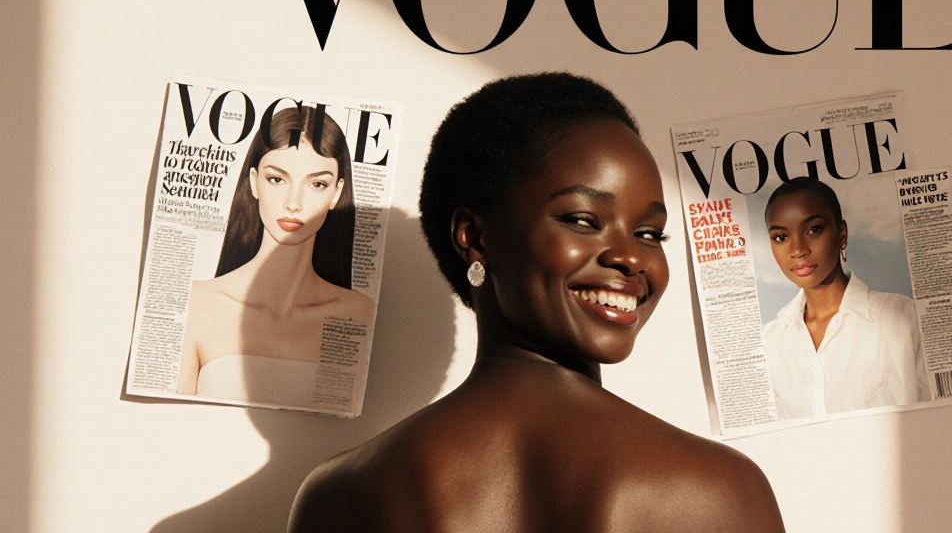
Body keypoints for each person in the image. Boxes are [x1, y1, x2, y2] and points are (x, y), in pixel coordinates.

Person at [287, 73, 785, 532]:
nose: (631, 257)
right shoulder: (721, 491)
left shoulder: (338, 496)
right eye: (583, 220)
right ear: (475, 238)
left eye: (650, 233)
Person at [176, 106, 374, 408]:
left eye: (317, 184)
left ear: (336, 193)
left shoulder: (359, 314)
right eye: (277, 180)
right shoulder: (197, 304)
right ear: (254, 182)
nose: (293, 203)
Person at [761, 178, 930, 420]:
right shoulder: (770, 343)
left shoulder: (905, 318)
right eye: (780, 237)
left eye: (813, 230)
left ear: (842, 234)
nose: (798, 250)